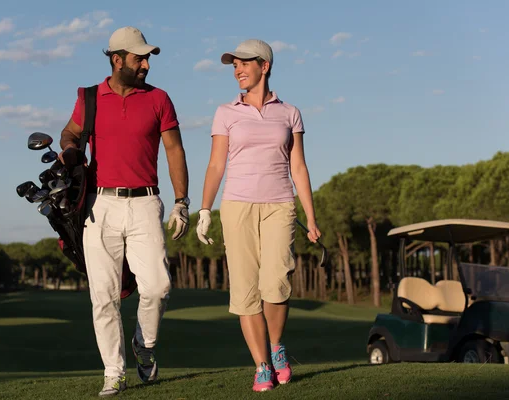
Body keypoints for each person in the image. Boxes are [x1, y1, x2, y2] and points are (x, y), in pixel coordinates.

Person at [59, 26, 190, 397]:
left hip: (146, 203)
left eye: (147, 57)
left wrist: (182, 202)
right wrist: (71, 151)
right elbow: (69, 132)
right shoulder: (89, 97)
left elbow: (174, 150)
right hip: (100, 205)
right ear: (117, 60)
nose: (146, 64)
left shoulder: (159, 99)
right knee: (103, 295)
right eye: (139, 58)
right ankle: (113, 371)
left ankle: (144, 345)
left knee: (159, 287)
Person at [196, 39, 321, 392]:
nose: (237, 70)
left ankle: (278, 348)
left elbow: (298, 165)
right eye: (234, 65)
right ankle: (262, 365)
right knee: (245, 290)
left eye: (243, 64)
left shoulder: (289, 112)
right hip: (237, 206)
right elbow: (217, 163)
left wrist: (311, 217)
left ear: (264, 66)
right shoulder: (225, 112)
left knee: (277, 283)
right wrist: (205, 209)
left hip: (280, 205)